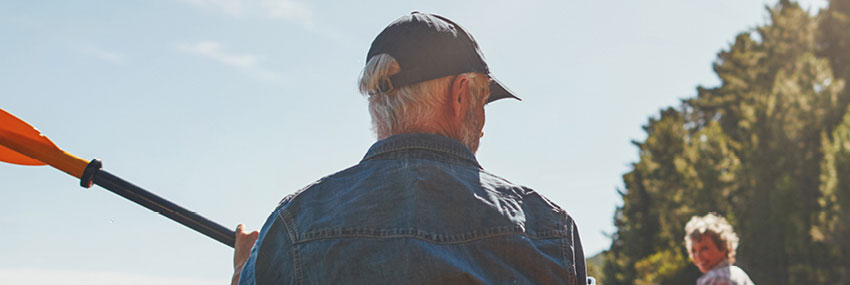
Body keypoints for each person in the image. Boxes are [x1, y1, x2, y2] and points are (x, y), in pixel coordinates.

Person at [230, 11, 588, 284]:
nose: (483, 121)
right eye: (483, 100)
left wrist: (247, 271)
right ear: (460, 94)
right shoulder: (547, 230)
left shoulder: (294, 224)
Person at [686, 213, 754, 285]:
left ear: (723, 247)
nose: (698, 256)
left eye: (704, 249)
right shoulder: (738, 273)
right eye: (693, 251)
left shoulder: (716, 278)